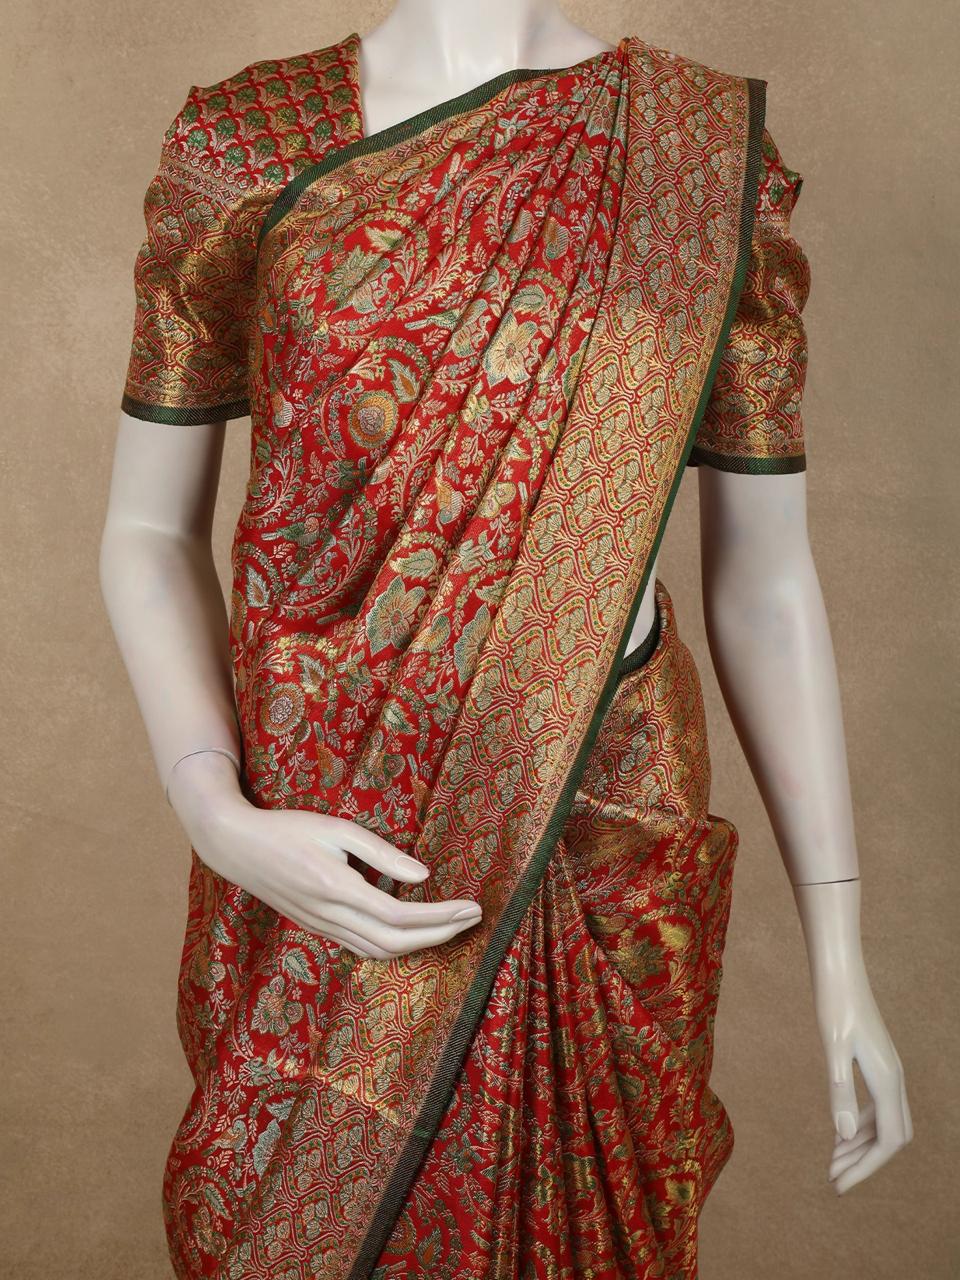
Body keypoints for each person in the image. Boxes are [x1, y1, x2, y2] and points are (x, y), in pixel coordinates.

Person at [100, 6, 912, 1278]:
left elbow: (763, 579)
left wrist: (839, 947)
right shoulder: (249, 142)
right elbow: (149, 531)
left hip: (597, 821)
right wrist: (211, 805)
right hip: (327, 826)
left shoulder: (700, 156)